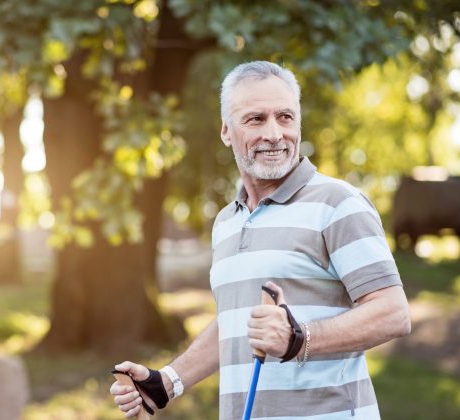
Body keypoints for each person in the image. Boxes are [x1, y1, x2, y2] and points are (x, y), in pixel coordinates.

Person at [109, 60, 411, 419]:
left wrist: (300, 338)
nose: (274, 134)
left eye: (285, 117)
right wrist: (167, 382)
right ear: (226, 131)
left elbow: (393, 313)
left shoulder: (338, 203)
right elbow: (236, 320)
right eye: (256, 119)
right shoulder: (227, 221)